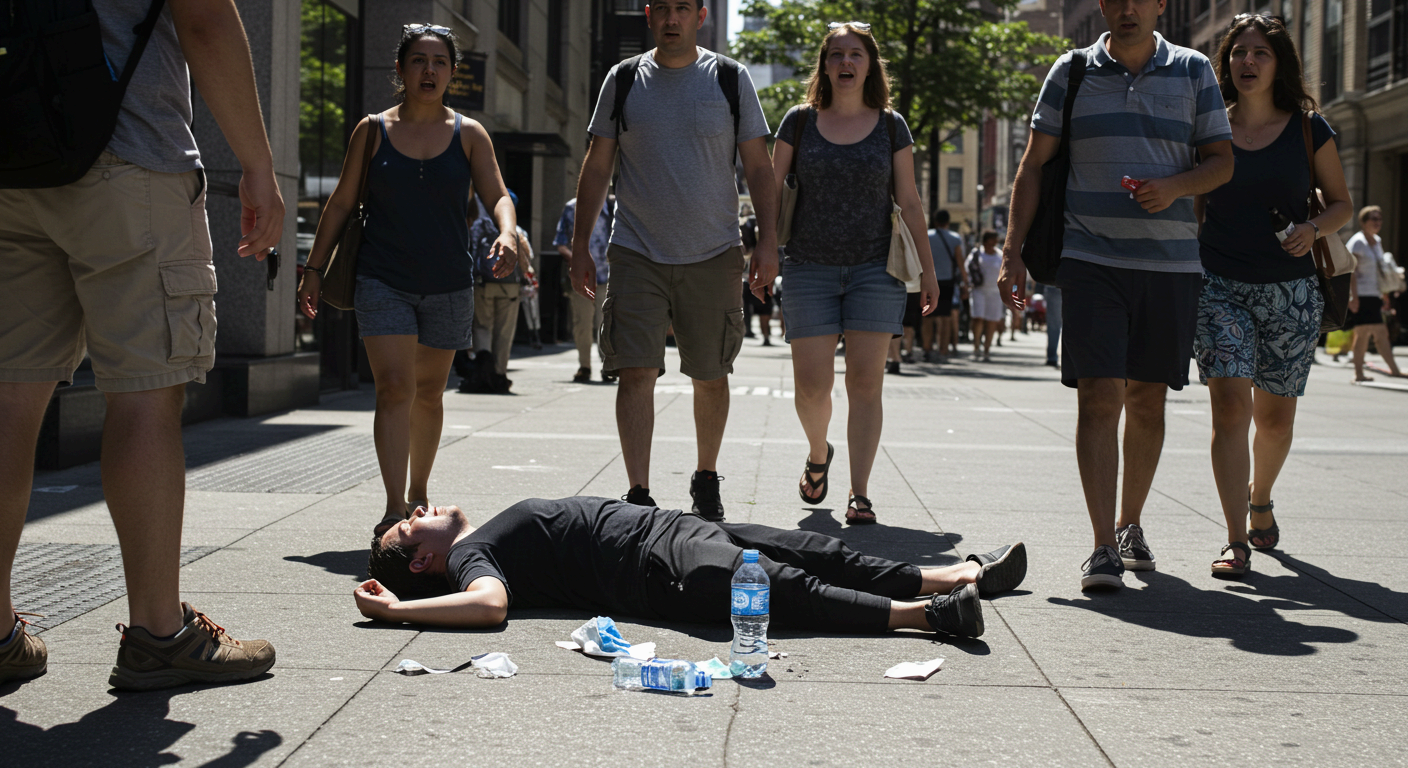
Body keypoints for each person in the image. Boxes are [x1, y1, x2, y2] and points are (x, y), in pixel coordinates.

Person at [0, 0, 281, 688]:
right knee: (146, 395)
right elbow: (206, 17)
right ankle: (159, 632)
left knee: (9, 398)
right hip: (131, 160)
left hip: (14, 163)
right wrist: (257, 165)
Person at [997, 0, 1234, 591]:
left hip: (1170, 265)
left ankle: (1131, 524)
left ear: (1159, 5)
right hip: (1090, 258)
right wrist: (1011, 252)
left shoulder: (1194, 70)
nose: (1127, 8)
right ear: (1102, 5)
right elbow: (1033, 165)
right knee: (1099, 394)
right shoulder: (1071, 70)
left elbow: (1222, 162)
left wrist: (1174, 186)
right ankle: (1102, 545)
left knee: (1148, 400)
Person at [297, 25, 518, 529]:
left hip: (448, 283)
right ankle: (394, 507)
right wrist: (313, 269)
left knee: (429, 392)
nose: (429, 71)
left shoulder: (469, 133)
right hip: (382, 279)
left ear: (452, 73)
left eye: (439, 62)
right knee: (394, 388)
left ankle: (419, 491)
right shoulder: (372, 130)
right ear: (400, 69)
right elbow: (339, 204)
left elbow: (498, 195)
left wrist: (506, 233)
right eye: (418, 61)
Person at [569, 0, 778, 520]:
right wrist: (580, 247)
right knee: (634, 369)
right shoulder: (623, 79)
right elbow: (596, 168)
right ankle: (638, 493)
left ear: (700, 16)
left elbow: (758, 165)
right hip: (636, 248)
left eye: (682, 8)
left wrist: (768, 243)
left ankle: (705, 478)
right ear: (647, 14)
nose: (671, 18)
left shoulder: (730, 78)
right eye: (662, 7)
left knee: (710, 373)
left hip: (714, 251)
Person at [359, 501, 1028, 638]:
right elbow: (488, 606)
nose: (419, 509)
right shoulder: (474, 558)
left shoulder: (478, 538)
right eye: (408, 523)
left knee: (815, 550)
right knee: (779, 584)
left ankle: (963, 576)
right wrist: (396, 610)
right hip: (656, 563)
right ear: (424, 559)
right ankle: (931, 617)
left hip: (670, 529)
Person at [1193, 15, 1352, 576]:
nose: (1249, 62)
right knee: (1230, 405)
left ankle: (1261, 500)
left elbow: (1341, 204)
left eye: (1261, 53)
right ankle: (1236, 538)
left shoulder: (1310, 129)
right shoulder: (1207, 126)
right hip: (1218, 286)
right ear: (1226, 62)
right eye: (1239, 52)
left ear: (1279, 62)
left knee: (1276, 420)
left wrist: (1316, 229)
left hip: (1291, 292)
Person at [773, 23, 941, 524]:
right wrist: (761, 250)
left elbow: (909, 201)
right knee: (811, 387)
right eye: (837, 55)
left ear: (870, 65)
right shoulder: (798, 122)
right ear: (825, 64)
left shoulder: (892, 126)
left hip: (876, 269)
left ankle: (860, 493)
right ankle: (818, 451)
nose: (846, 63)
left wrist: (928, 273)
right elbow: (768, 186)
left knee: (866, 383)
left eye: (857, 55)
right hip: (807, 268)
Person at [469, 194, 535, 394]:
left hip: (483, 285)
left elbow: (471, 251)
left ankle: (482, 371)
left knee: (482, 327)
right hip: (509, 288)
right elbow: (528, 257)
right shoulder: (517, 231)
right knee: (504, 332)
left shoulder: (480, 227)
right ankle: (499, 374)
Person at [554, 195, 615, 383]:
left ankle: (608, 366)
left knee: (606, 324)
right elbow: (560, 242)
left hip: (608, 276)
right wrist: (575, 259)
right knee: (582, 323)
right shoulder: (572, 208)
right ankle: (585, 366)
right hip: (583, 278)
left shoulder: (614, 208)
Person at [1346, 206, 1403, 382]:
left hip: (1374, 293)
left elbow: (1380, 271)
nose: (1378, 222)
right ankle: (1360, 373)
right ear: (1363, 222)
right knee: (1366, 332)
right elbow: (1350, 271)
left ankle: (1391, 370)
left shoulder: (1377, 241)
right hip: (1361, 294)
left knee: (1376, 333)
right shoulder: (1358, 242)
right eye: (1373, 219)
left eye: (1379, 219)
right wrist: (1353, 297)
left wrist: (1385, 295)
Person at [922, 210, 966, 364]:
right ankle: (943, 349)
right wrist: (965, 283)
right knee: (945, 318)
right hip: (947, 281)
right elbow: (960, 262)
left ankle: (927, 349)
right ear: (948, 222)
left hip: (927, 280)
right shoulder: (955, 238)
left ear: (935, 221)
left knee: (927, 316)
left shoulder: (926, 236)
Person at [967, 232, 1004, 362]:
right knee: (978, 318)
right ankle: (976, 347)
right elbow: (968, 270)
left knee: (992, 321)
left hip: (995, 293)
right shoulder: (977, 253)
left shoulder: (1000, 255)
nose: (993, 244)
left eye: (995, 241)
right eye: (990, 241)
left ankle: (987, 349)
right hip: (979, 291)